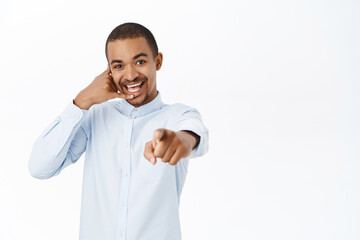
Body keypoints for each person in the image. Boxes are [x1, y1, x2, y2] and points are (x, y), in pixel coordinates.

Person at [28, 22, 209, 240]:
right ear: (109, 71)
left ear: (157, 61)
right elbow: (39, 167)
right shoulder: (94, 116)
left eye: (140, 61)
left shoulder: (179, 116)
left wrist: (180, 140)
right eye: (119, 66)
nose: (131, 75)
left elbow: (195, 136)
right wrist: (82, 101)